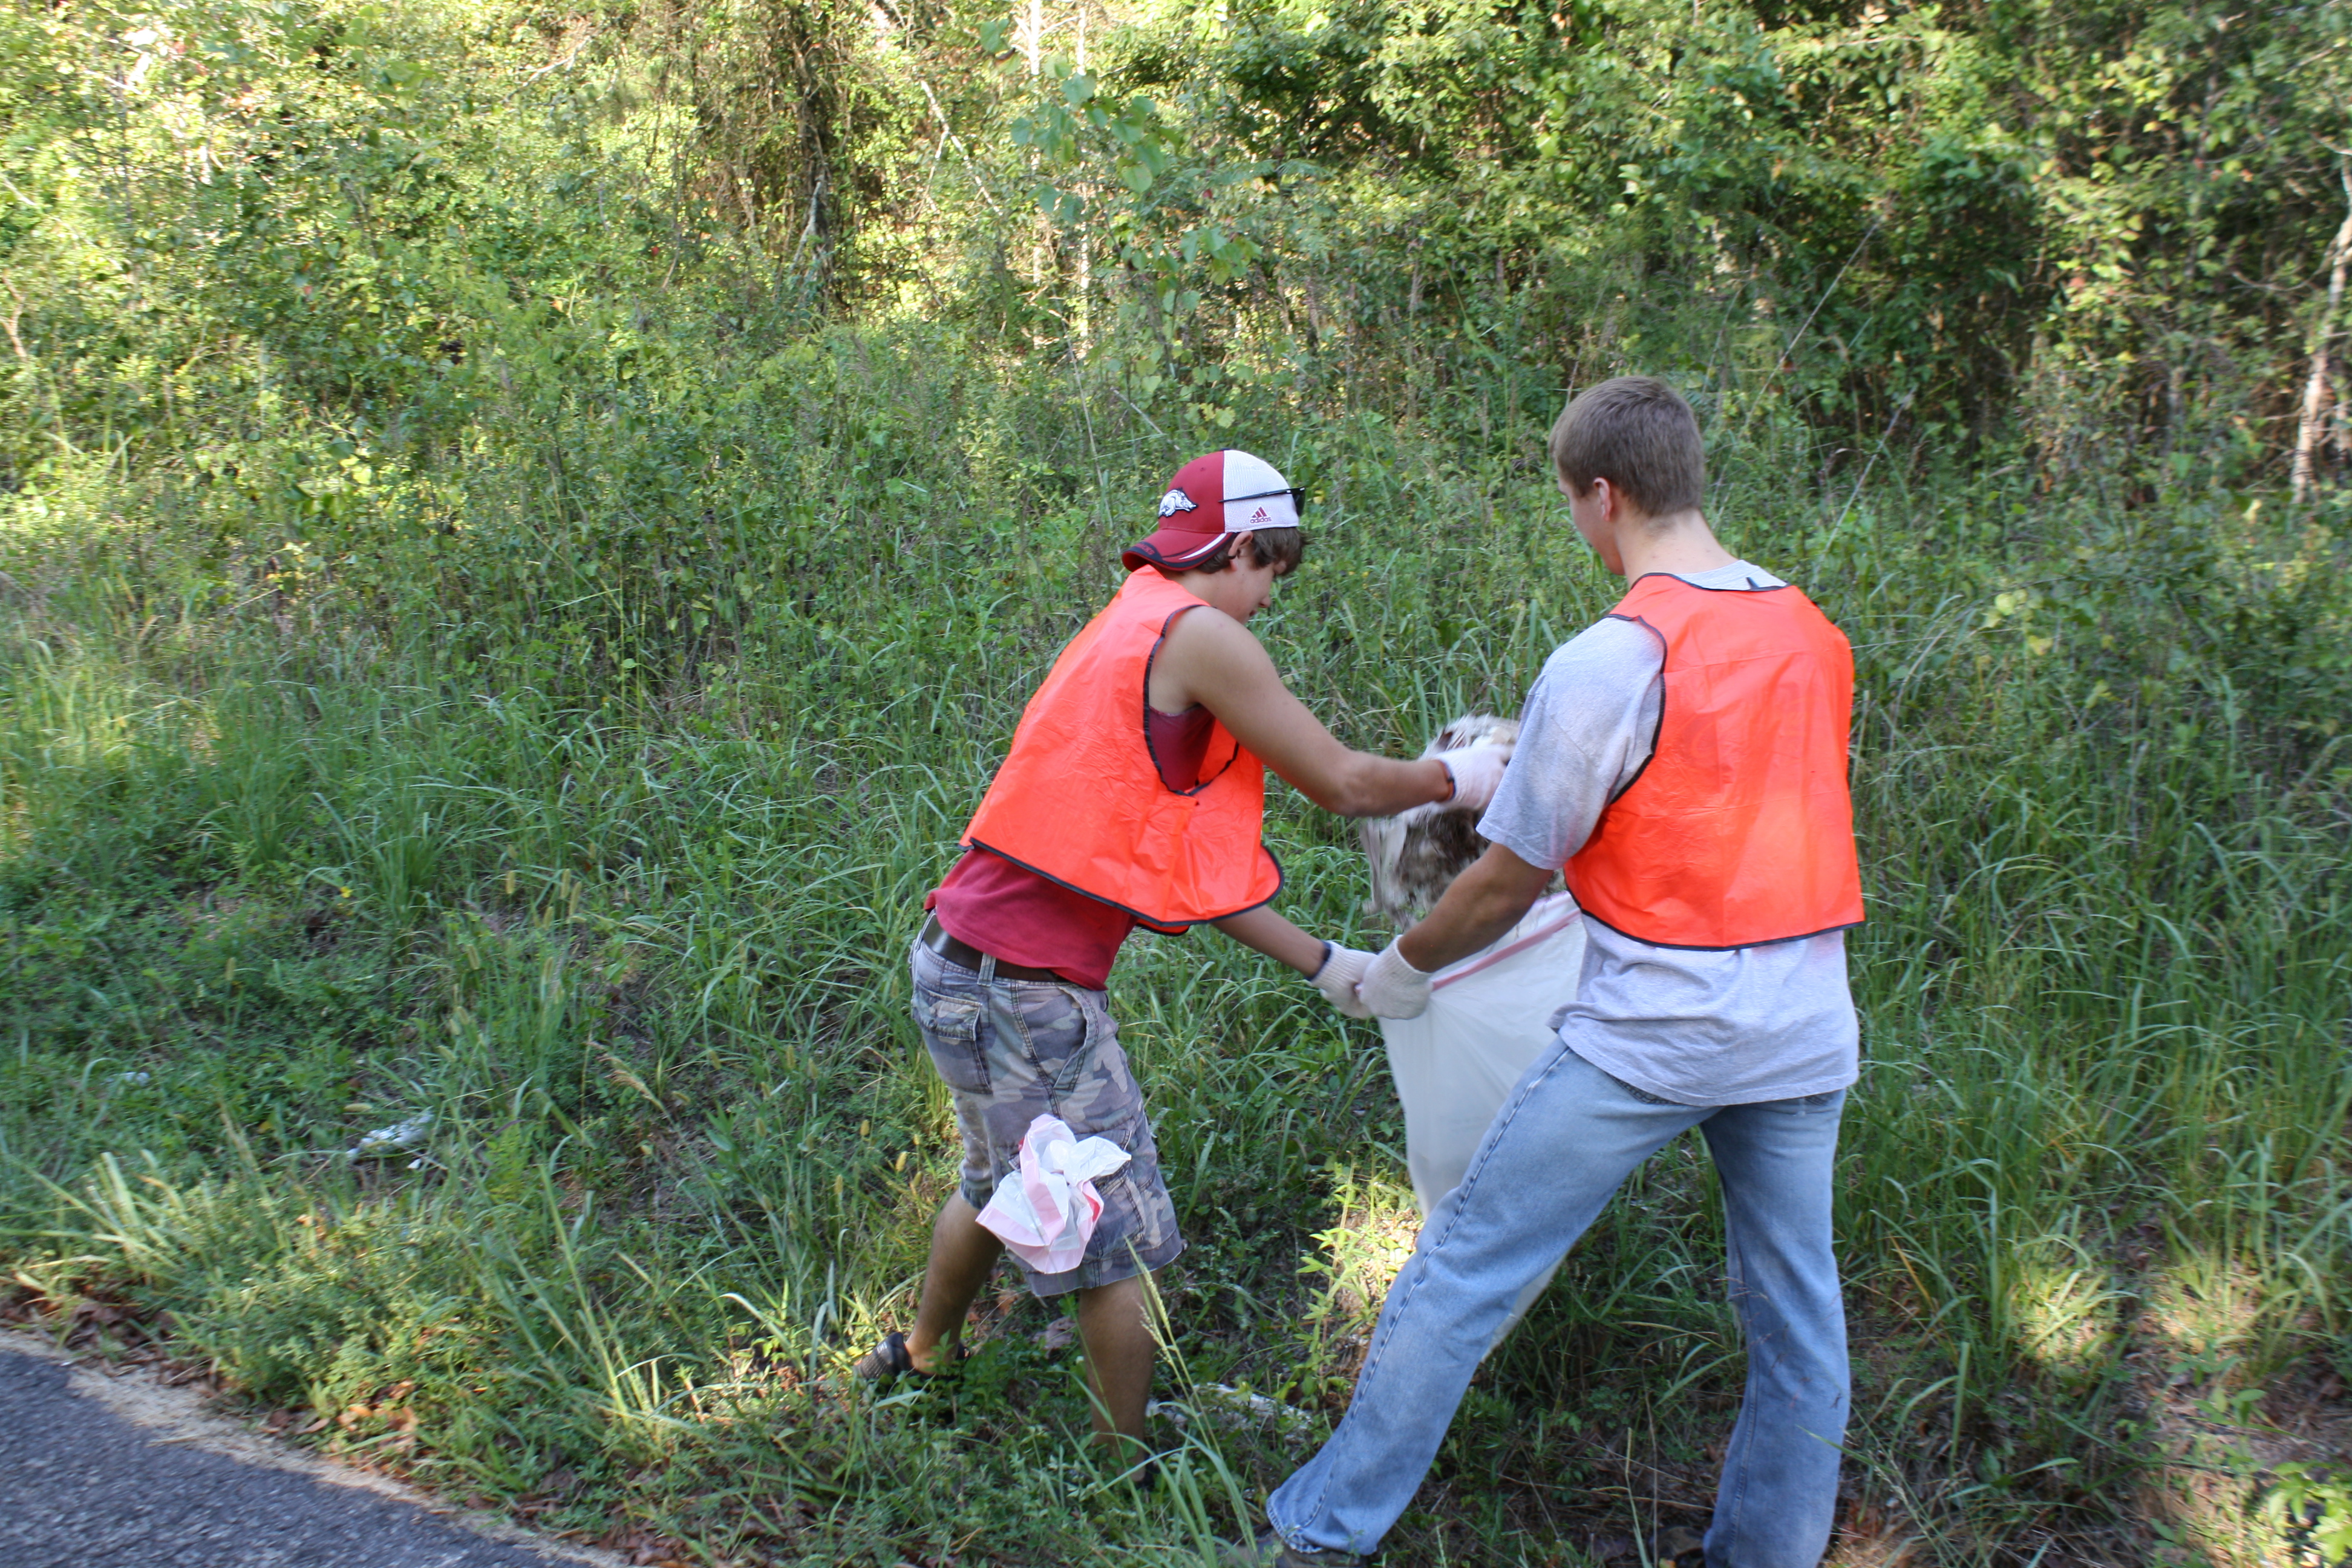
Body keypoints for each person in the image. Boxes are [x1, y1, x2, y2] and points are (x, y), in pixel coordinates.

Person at [1244, 377, 1865, 1568]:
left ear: (1605, 495)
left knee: (1464, 1266)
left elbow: (1504, 883)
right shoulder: (1809, 633)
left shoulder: (1611, 655)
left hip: (1656, 1033)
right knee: (1799, 1325)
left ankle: (1320, 1536)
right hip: (1806, 1027)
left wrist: (1400, 969)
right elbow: (1706, 780)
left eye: (1573, 505)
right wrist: (1501, 773)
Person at [856, 449, 1512, 1468]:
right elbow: (1340, 782)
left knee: (996, 1183)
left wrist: (1329, 963)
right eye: (1272, 575)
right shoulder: (1202, 634)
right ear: (1245, 546)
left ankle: (919, 1357)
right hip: (1025, 991)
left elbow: (1175, 868)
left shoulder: (1135, 617)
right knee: (1113, 1228)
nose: (1266, 601)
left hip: (958, 965)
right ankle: (1125, 1469)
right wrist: (1460, 776)